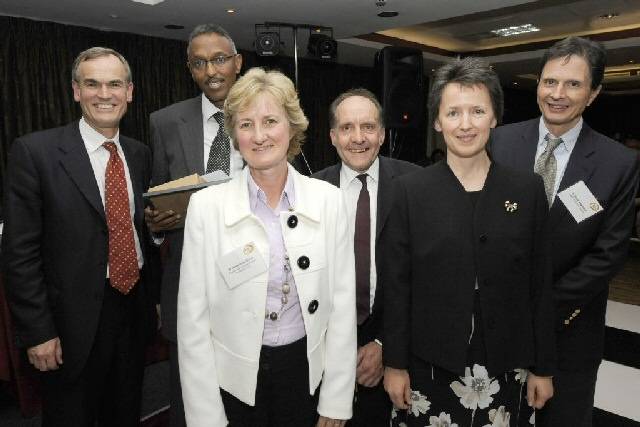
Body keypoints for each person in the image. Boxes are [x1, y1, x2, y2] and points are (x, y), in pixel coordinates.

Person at [177, 67, 357, 427]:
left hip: (306, 373)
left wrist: (335, 400)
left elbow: (341, 308)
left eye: (270, 121)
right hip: (234, 381)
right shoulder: (206, 207)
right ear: (234, 133)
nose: (258, 136)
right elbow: (192, 323)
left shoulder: (330, 201)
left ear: (292, 126)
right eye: (245, 124)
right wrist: (205, 416)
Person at [381, 57, 555, 427]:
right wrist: (394, 364)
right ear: (438, 121)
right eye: (454, 112)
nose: (465, 124)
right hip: (429, 363)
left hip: (508, 363)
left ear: (494, 118)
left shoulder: (526, 189)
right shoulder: (409, 192)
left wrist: (543, 367)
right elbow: (396, 288)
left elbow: (539, 285)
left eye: (477, 111)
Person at [2, 47, 155, 426]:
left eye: (114, 84)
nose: (105, 94)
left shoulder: (139, 154)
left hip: (131, 310)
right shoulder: (35, 152)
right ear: (75, 91)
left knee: (125, 410)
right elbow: (19, 254)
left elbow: (137, 231)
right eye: (93, 84)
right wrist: (38, 332)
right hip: (69, 323)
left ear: (130, 91)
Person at [491, 36, 640, 426]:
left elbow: (608, 254)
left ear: (593, 94)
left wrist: (541, 309)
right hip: (497, 325)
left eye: (573, 84)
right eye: (549, 81)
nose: (558, 94)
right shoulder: (500, 142)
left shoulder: (618, 162)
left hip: (571, 329)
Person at [144, 23, 243, 427]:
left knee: (247, 389)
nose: (211, 71)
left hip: (250, 277)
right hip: (189, 280)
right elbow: (156, 195)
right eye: (199, 63)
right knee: (189, 391)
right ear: (190, 69)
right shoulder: (165, 121)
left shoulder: (263, 116)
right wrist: (155, 224)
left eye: (219, 59)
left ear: (238, 63)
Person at [313, 88, 420, 427]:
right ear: (332, 136)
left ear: (383, 134)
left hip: (396, 348)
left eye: (368, 127)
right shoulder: (310, 192)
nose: (358, 138)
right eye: (346, 128)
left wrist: (385, 343)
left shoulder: (416, 184)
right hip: (323, 354)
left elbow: (427, 277)